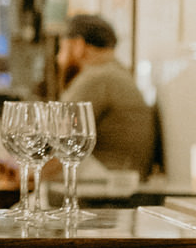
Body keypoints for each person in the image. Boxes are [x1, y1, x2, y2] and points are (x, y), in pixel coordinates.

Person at [56, 13, 155, 174]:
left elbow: (58, 141)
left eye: (61, 49)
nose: (58, 58)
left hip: (106, 183)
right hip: (125, 180)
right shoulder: (118, 73)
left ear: (79, 46)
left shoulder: (96, 78)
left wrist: (21, 174)